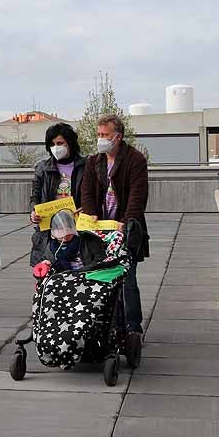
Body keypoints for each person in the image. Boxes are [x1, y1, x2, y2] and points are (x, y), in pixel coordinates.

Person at [79, 114, 149, 335]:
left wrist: (126, 223)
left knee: (127, 279)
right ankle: (108, 325)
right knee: (101, 278)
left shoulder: (135, 160)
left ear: (117, 137)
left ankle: (133, 327)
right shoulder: (94, 161)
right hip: (99, 228)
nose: (100, 139)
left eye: (105, 135)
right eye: (99, 134)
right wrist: (91, 216)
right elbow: (87, 192)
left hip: (124, 229)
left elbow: (137, 197)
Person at [30, 123, 86, 264]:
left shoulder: (85, 166)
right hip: (49, 234)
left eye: (60, 143)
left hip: (77, 231)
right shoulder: (42, 168)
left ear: (70, 143)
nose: (56, 147)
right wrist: (34, 212)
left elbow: (92, 195)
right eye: (52, 144)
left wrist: (86, 207)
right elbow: (35, 196)